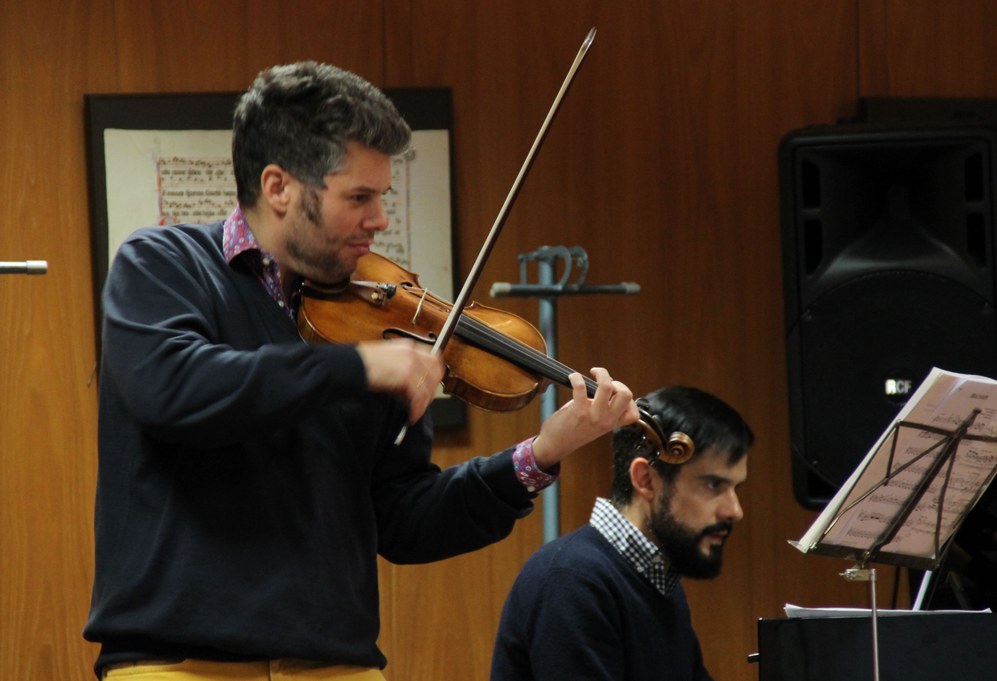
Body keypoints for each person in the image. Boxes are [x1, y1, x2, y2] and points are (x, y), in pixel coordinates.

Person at [83, 61, 639, 680]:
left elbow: (401, 519)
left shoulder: (377, 319)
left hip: (336, 666)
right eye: (359, 198)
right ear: (278, 187)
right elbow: (177, 390)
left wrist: (538, 455)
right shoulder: (162, 266)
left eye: (382, 198)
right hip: (179, 665)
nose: (378, 221)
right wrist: (355, 368)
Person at [490, 385, 753, 681]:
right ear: (646, 480)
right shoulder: (573, 580)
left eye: (735, 488)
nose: (734, 510)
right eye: (713, 485)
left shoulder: (660, 580)